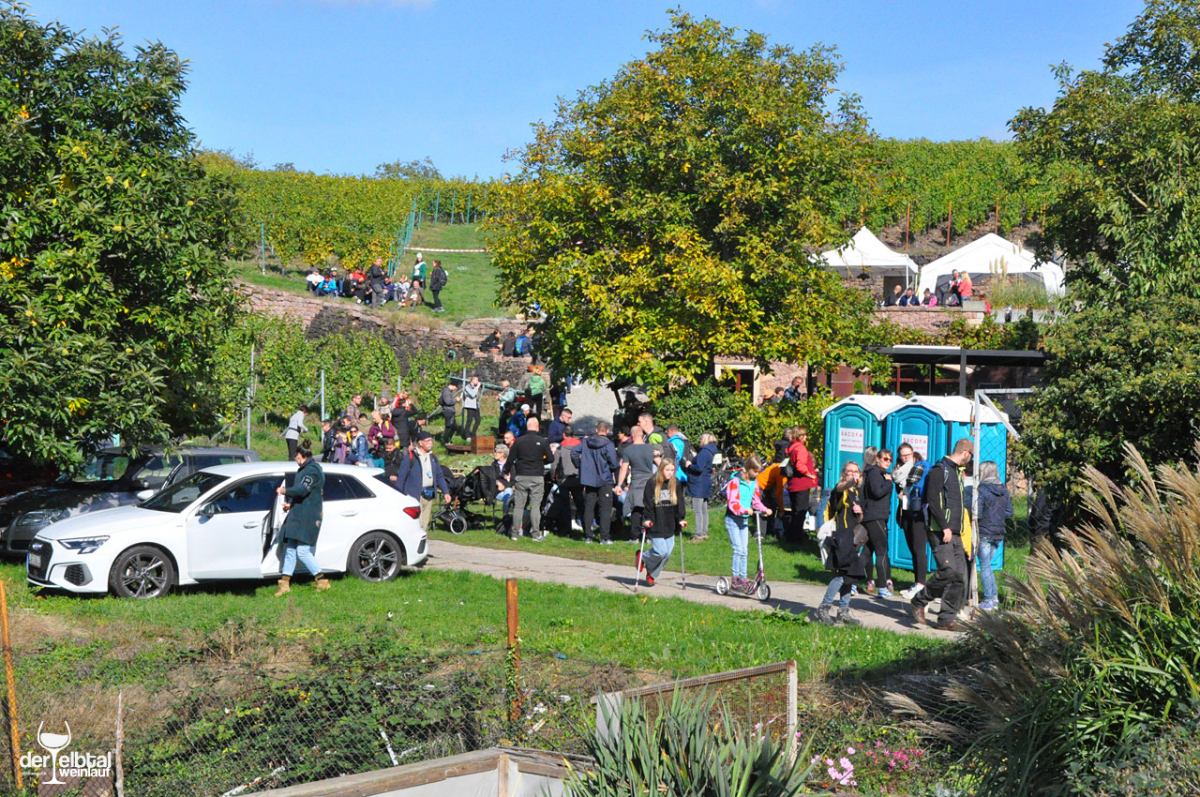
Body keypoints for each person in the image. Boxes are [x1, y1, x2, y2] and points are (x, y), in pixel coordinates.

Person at [911, 438, 974, 632]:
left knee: (960, 576)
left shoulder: (957, 472)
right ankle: (920, 600)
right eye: (971, 456)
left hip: (956, 532)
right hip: (940, 530)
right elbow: (933, 501)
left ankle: (946, 619)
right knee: (948, 570)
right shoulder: (939, 470)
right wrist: (945, 526)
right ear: (966, 452)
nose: (970, 460)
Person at [813, 461, 867, 626]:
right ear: (844, 474)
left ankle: (843, 611)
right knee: (842, 575)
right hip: (841, 536)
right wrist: (851, 481)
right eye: (850, 471)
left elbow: (859, 519)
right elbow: (841, 487)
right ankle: (824, 607)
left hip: (852, 537)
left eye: (856, 471)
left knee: (850, 576)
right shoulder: (840, 489)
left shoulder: (856, 493)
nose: (853, 474)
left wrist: (860, 513)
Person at [274, 440, 329, 595]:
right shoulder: (305, 469)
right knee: (290, 549)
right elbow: (306, 496)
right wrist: (291, 504)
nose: (296, 459)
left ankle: (322, 580)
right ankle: (284, 584)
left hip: (308, 516)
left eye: (296, 456)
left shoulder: (312, 471)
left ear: (300, 455)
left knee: (303, 551)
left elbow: (302, 490)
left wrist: (285, 491)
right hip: (299, 514)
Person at [636, 454, 687, 586]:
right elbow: (648, 503)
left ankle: (651, 573)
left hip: (670, 523)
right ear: (661, 469)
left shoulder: (676, 483)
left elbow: (680, 503)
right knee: (660, 551)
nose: (670, 473)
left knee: (667, 553)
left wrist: (680, 518)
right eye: (667, 470)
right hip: (656, 522)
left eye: (672, 470)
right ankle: (643, 556)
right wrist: (647, 519)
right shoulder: (652, 483)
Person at [892, 444, 930, 600]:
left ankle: (921, 584)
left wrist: (908, 494)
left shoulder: (920, 468)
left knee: (919, 548)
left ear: (913, 454)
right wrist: (901, 494)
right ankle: (917, 583)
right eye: (903, 455)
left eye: (908, 455)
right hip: (906, 512)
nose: (906, 458)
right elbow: (899, 488)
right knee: (913, 549)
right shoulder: (898, 471)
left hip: (918, 513)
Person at [504, 417, 551, 540]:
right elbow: (551, 458)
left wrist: (505, 471)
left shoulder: (519, 441)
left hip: (521, 476)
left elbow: (510, 459)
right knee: (535, 506)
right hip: (537, 476)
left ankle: (514, 534)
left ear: (527, 426)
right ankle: (535, 534)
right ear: (537, 427)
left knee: (519, 506)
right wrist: (541, 462)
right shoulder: (542, 441)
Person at [723, 455, 765, 592]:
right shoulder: (735, 481)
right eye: (755, 471)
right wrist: (744, 509)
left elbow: (756, 500)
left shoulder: (753, 482)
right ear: (748, 468)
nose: (757, 474)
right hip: (733, 519)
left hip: (744, 520)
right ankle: (735, 579)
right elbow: (733, 503)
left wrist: (764, 509)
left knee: (744, 551)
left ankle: (744, 578)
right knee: (738, 549)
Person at [396, 431, 451, 531]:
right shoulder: (410, 457)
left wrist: (446, 492)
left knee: (424, 526)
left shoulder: (433, 457)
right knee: (417, 525)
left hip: (429, 496)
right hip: (415, 496)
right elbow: (401, 478)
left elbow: (439, 476)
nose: (431, 443)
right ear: (420, 443)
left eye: (431, 440)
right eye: (428, 441)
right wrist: (399, 496)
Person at [976, 460, 1013, 610]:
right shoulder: (1004, 490)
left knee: (985, 567)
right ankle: (994, 598)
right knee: (988, 566)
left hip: (984, 531)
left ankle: (988, 600)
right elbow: (1009, 513)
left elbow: (977, 512)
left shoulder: (981, 490)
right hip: (999, 533)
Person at [859, 448, 894, 598]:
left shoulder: (877, 473)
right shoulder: (875, 473)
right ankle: (882, 587)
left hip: (875, 516)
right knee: (882, 552)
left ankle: (850, 582)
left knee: (867, 551)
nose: (888, 462)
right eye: (885, 459)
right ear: (878, 459)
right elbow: (877, 492)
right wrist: (889, 484)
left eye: (890, 460)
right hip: (875, 516)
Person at [617, 425, 660, 542]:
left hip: (636, 482)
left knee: (636, 508)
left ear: (632, 436)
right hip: (650, 482)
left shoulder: (628, 450)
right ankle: (649, 536)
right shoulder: (651, 448)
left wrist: (619, 485)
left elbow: (624, 469)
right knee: (649, 508)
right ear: (642, 435)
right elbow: (660, 463)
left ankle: (634, 536)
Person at [579, 421, 619, 544]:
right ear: (607, 431)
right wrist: (610, 469)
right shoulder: (609, 444)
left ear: (597, 430)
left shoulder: (586, 442)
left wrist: (581, 466)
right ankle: (604, 537)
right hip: (605, 479)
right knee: (605, 508)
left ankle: (588, 536)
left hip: (589, 479)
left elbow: (574, 452)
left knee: (589, 508)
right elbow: (614, 463)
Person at [783, 426, 819, 543]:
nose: (806, 437)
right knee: (800, 512)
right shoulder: (801, 448)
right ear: (800, 436)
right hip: (801, 484)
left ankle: (791, 536)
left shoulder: (791, 447)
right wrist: (810, 475)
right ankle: (797, 539)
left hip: (793, 483)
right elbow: (800, 466)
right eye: (804, 435)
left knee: (795, 511)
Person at [684, 432, 717, 542]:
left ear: (705, 440)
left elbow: (699, 468)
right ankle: (704, 532)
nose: (699, 441)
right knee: (704, 509)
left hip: (698, 483)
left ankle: (698, 534)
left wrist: (689, 465)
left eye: (701, 439)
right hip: (705, 482)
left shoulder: (704, 452)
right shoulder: (711, 451)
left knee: (697, 509)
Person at [551, 424, 584, 536]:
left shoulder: (560, 447)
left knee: (565, 505)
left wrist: (553, 477)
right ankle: (586, 529)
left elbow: (554, 465)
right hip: (578, 479)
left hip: (564, 480)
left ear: (564, 434)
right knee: (580, 504)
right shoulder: (580, 445)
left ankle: (567, 531)